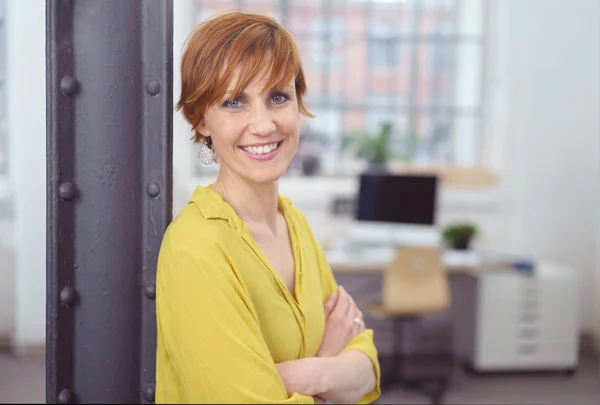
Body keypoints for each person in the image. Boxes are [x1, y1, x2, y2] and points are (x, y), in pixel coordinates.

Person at [155, 10, 381, 404]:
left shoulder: (292, 222)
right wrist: (328, 362)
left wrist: (303, 375)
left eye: (278, 97)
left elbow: (367, 364)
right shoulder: (195, 248)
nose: (262, 125)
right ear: (201, 119)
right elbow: (349, 373)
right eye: (234, 102)